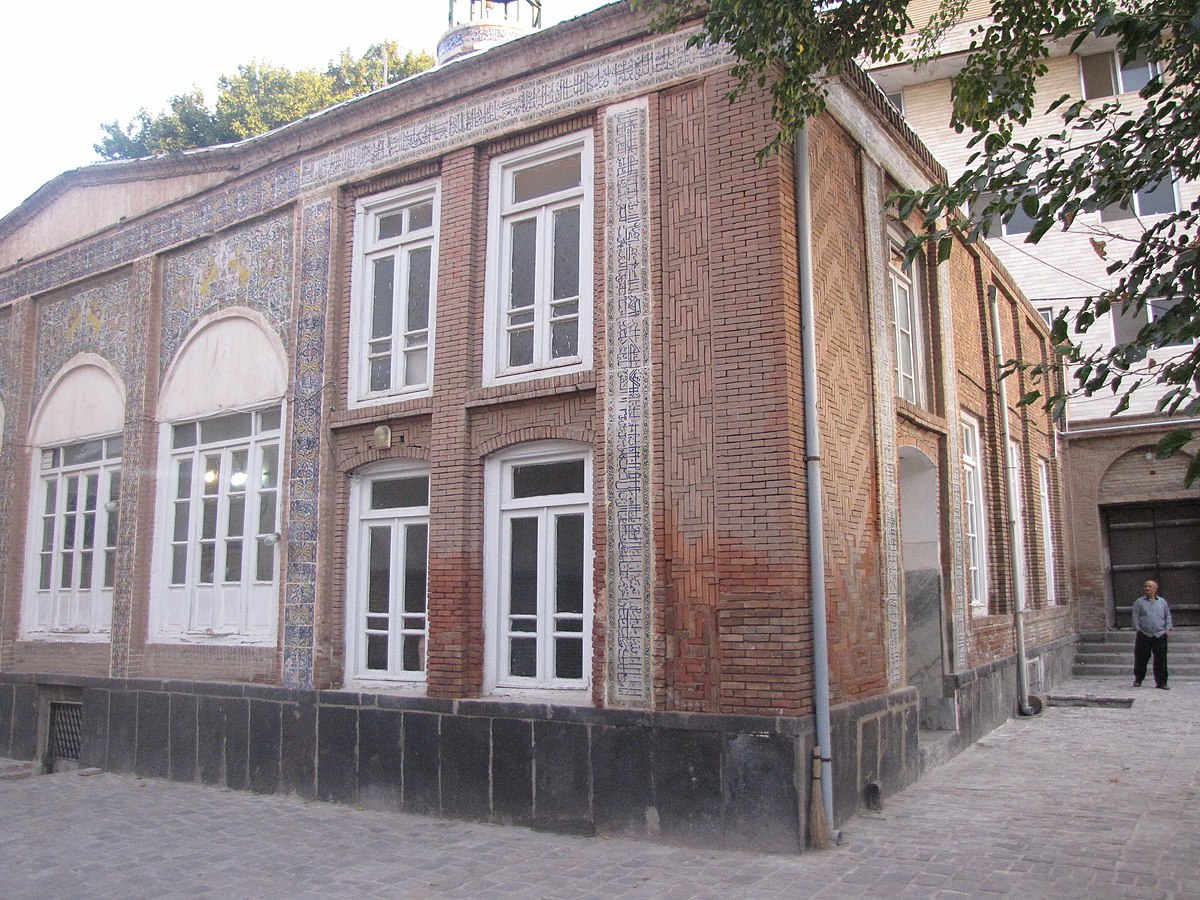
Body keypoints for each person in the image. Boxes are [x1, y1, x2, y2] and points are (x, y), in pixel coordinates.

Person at [1132, 579, 1172, 690]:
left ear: (1155, 589)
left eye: (1150, 586)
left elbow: (1167, 616)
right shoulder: (1139, 602)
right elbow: (1135, 617)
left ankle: (1162, 682)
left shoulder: (1162, 602)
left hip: (1160, 635)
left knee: (1161, 660)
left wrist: (1167, 629)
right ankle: (1138, 679)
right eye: (1145, 586)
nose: (1147, 588)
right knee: (1141, 658)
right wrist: (1138, 630)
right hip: (1144, 634)